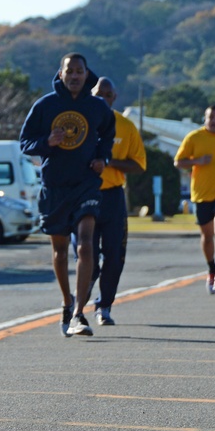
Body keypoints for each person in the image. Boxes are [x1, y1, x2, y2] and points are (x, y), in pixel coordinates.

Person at [20, 53, 115, 337]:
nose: (74, 76)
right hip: (55, 185)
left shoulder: (97, 106)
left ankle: (79, 314)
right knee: (60, 252)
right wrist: (46, 142)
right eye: (69, 71)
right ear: (60, 74)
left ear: (87, 75)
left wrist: (103, 159)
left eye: (79, 71)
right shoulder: (45, 105)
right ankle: (66, 302)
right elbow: (25, 142)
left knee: (86, 246)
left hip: (86, 183)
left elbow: (107, 136)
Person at [82, 77, 146, 325]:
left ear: (114, 98)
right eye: (98, 94)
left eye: (107, 95)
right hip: (86, 194)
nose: (102, 99)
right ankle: (81, 296)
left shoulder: (126, 126)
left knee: (114, 254)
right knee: (86, 254)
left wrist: (108, 162)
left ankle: (104, 306)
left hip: (113, 197)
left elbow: (139, 165)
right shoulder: (81, 121)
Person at [174, 105, 215, 294]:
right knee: (207, 236)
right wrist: (197, 162)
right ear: (205, 118)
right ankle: (211, 269)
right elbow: (178, 162)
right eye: (211, 117)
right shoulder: (194, 138)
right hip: (201, 193)